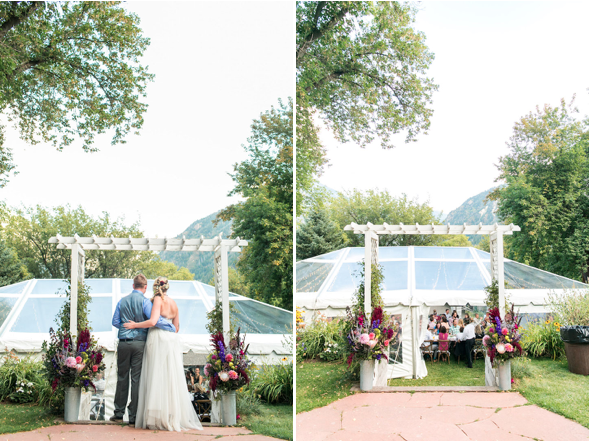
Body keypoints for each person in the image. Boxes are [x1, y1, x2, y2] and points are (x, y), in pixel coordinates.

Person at [123, 276, 202, 431]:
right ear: (168, 287)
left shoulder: (158, 300)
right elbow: (176, 327)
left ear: (155, 287)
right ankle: (171, 415)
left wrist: (134, 325)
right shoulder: (174, 303)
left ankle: (156, 417)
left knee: (156, 376)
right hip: (171, 340)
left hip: (158, 338)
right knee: (170, 377)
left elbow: (153, 322)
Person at [111, 274, 177, 425]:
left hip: (123, 343)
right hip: (140, 344)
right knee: (136, 380)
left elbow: (115, 321)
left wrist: (125, 327)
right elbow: (155, 321)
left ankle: (118, 413)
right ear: (145, 288)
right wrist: (171, 327)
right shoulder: (146, 302)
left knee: (122, 377)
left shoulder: (122, 301)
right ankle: (133, 416)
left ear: (133, 286)